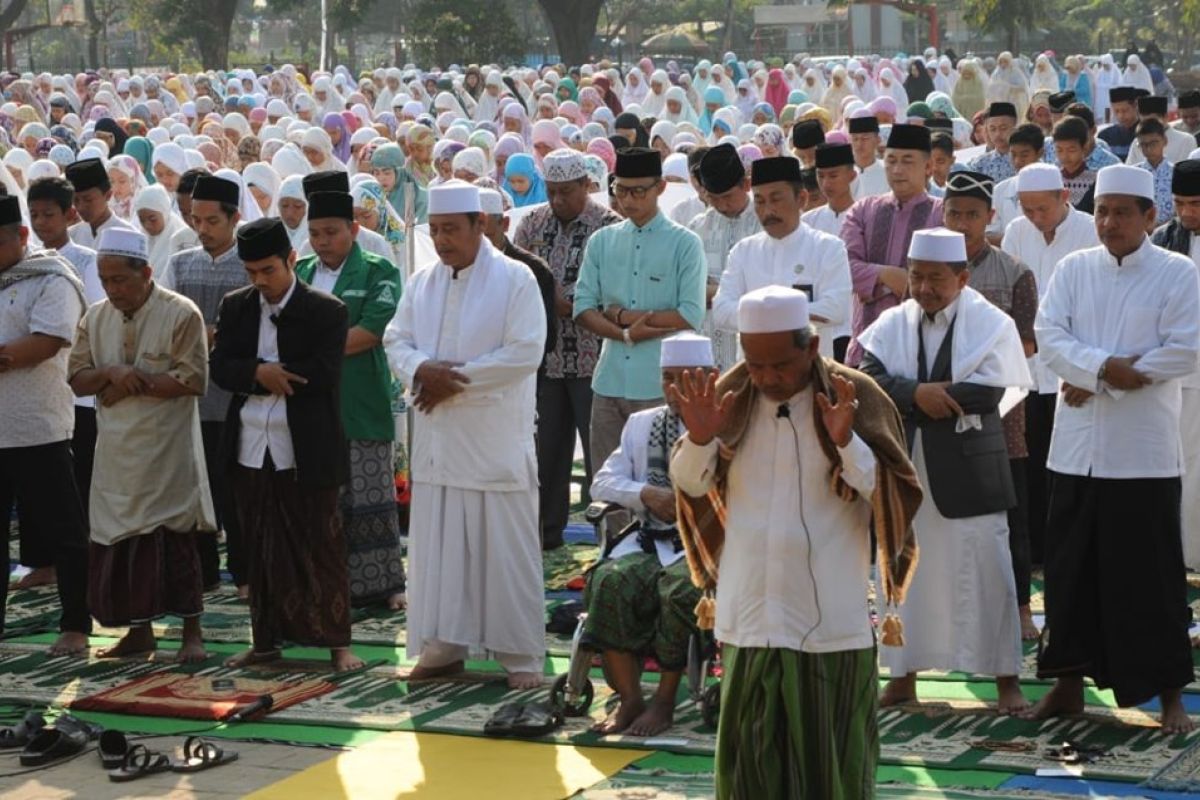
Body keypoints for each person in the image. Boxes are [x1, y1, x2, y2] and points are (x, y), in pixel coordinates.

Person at [671, 285, 921, 799]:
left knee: (829, 773)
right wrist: (700, 438)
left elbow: (890, 492)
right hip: (750, 615)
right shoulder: (728, 399)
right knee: (749, 771)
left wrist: (845, 439)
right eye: (755, 365)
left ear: (810, 348)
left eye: (779, 366)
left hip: (828, 619)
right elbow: (692, 486)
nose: (767, 379)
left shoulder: (856, 398)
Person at [1025, 164, 1198, 734]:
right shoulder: (1074, 269)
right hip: (1075, 452)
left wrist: (1107, 374)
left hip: (1143, 453)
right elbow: (1050, 336)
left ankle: (1169, 694)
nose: (1110, 222)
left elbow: (1187, 349)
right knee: (1070, 573)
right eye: (1102, 211)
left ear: (1152, 217)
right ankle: (1068, 687)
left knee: (1150, 575)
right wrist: (1102, 369)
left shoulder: (1178, 274)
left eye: (1123, 212)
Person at [859, 227, 1032, 713]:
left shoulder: (989, 322)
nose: (925, 288)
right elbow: (868, 378)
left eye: (936, 278)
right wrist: (918, 394)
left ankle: (1005, 680)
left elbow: (992, 390)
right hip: (906, 464)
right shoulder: (893, 323)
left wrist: (930, 396)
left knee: (988, 571)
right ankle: (902, 677)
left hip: (970, 469)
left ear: (962, 276)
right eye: (917, 277)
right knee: (903, 571)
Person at [383, 181, 547, 689]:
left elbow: (525, 353)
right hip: (439, 443)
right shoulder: (424, 281)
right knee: (439, 550)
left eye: (451, 229)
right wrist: (420, 370)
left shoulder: (516, 279)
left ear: (481, 225)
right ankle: (443, 645)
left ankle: (521, 657)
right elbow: (396, 339)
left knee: (506, 551)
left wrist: (448, 382)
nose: (442, 240)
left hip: (493, 442)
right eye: (434, 231)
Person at [210, 217, 362, 673]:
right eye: (251, 273)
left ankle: (339, 644)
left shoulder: (326, 310)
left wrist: (273, 373)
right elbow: (221, 366)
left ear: (291, 260)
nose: (260, 282)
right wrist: (260, 373)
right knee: (258, 547)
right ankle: (264, 643)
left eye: (269, 271)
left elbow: (324, 373)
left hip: (306, 447)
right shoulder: (237, 307)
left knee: (321, 544)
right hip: (250, 444)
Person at [68, 227, 212, 663]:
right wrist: (112, 373)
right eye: (106, 280)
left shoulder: (181, 313)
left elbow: (193, 379)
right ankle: (139, 633)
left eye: (120, 281)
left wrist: (132, 385)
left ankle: (192, 633)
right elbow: (76, 377)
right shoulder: (95, 317)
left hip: (168, 451)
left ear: (146, 273)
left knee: (175, 540)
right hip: (117, 453)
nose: (112, 290)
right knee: (124, 541)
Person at [585, 332, 713, 737]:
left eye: (687, 378)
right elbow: (603, 482)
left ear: (711, 378)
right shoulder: (643, 424)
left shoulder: (728, 426)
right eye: (668, 378)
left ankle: (663, 702)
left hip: (706, 548)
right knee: (610, 581)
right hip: (649, 540)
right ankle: (630, 699)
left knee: (678, 593)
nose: (676, 389)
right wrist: (644, 493)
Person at [295, 188, 406, 611]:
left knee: (369, 495)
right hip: (310, 402)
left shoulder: (378, 270)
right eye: (315, 233)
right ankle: (319, 581)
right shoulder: (299, 270)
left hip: (359, 398)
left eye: (331, 232)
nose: (322, 242)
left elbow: (373, 329)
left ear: (354, 230)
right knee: (316, 498)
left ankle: (381, 585)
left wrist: (311, 351)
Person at [942, 171, 1041, 641]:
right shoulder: (926, 268)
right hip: (941, 411)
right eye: (954, 213)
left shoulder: (1015, 272)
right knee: (950, 517)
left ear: (990, 217)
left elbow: (1025, 344)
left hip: (1003, 417)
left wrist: (968, 367)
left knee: (1010, 518)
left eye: (971, 215)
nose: (962, 223)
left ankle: (1020, 609)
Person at [573, 147, 706, 476]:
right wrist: (623, 333)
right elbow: (582, 307)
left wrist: (624, 316)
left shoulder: (684, 243)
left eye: (638, 191)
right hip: (608, 382)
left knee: (661, 483)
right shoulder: (602, 241)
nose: (628, 200)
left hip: (659, 387)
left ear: (660, 188)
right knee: (607, 485)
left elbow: (690, 314)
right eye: (620, 189)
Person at [514, 149, 622, 551]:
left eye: (566, 192)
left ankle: (611, 536)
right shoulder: (532, 222)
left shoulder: (608, 226)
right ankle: (545, 534)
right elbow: (518, 277)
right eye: (552, 192)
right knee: (546, 452)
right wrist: (558, 301)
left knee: (600, 454)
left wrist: (567, 301)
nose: (558, 200)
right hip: (545, 359)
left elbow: (608, 289)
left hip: (594, 357)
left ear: (585, 186)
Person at [0, 194, 92, 656]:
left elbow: (50, 339)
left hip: (39, 427)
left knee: (66, 532)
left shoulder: (50, 276)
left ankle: (76, 623)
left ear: (20, 237)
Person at [1000, 163, 1100, 567]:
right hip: (1025, 367)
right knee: (1030, 462)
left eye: (1042, 208)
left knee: (1069, 464)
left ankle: (1069, 546)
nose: (1035, 218)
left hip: (1070, 368)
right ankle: (1036, 551)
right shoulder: (1016, 233)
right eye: (1027, 210)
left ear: (1064, 197)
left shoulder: (1091, 229)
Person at [160, 175, 249, 595]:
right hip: (190, 399)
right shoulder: (181, 263)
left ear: (235, 218)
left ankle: (247, 574)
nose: (203, 229)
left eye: (212, 220)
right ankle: (204, 575)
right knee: (196, 487)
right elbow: (166, 323)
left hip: (237, 399)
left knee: (236, 488)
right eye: (197, 220)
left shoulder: (251, 266)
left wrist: (215, 335)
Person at [19, 177, 101, 589]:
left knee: (71, 487)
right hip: (24, 400)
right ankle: (40, 562)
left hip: (73, 388)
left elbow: (90, 319)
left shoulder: (82, 261)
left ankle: (75, 581)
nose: (41, 223)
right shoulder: (23, 263)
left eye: (48, 214)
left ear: (69, 215)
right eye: (34, 215)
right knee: (33, 495)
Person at [713, 154, 852, 363]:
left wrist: (759, 313)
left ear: (801, 199)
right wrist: (792, 314)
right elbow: (722, 311)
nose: (768, 211)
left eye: (776, 199)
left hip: (811, 373)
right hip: (754, 376)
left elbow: (836, 309)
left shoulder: (828, 248)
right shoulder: (743, 252)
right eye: (759, 201)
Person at [842, 123, 944, 366]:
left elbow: (945, 276)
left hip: (925, 347)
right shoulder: (863, 210)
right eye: (891, 161)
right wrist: (888, 275)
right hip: (866, 343)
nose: (897, 170)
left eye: (908, 161)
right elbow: (843, 268)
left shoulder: (942, 213)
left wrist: (878, 283)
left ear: (928, 167)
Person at [1152, 160, 1200, 569]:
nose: (1187, 214)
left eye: (1197, 204)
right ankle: (1182, 556)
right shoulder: (1165, 239)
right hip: (1177, 374)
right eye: (1180, 203)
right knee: (1181, 464)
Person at [687, 143, 760, 371]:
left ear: (746, 185)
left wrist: (713, 291)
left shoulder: (765, 225)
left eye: (727, 197)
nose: (721, 205)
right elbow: (685, 289)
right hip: (704, 352)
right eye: (713, 198)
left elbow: (764, 289)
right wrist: (730, 292)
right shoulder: (697, 227)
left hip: (751, 353)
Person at [477, 185, 557, 363]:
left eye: (488, 237)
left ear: (504, 224)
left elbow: (547, 338)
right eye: (475, 238)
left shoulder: (534, 271)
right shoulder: (457, 271)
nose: (481, 247)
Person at [986, 124, 1046, 246]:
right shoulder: (1000, 190)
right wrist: (1017, 242)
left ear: (1040, 153)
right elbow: (989, 234)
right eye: (1013, 154)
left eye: (1024, 155)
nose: (1018, 161)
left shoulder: (1054, 188)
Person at [64, 157, 135, 250]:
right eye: (75, 200)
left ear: (108, 195)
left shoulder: (128, 235)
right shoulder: (70, 237)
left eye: (88, 200)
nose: (81, 207)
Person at [805, 142, 858, 245]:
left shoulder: (865, 219)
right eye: (820, 176)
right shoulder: (808, 221)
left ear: (852, 175)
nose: (825, 184)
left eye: (833, 176)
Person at [1127, 95, 1198, 166]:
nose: (1150, 126)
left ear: (1166, 117)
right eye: (1145, 121)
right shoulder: (1137, 142)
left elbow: (1187, 171)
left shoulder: (1186, 140)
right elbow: (1130, 170)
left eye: (1153, 121)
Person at [1133, 119, 1176, 225]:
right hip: (1142, 231)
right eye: (1143, 144)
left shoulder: (1176, 173)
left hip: (1171, 232)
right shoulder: (1134, 174)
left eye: (1153, 143)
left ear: (1164, 141)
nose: (1148, 148)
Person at [1053, 116, 1097, 213]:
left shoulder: (1096, 180)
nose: (1064, 156)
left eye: (1071, 150)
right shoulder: (1051, 179)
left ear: (1085, 147)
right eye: (1059, 150)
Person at [967, 103, 1019, 182]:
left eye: (1003, 128)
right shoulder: (979, 165)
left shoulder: (1026, 160)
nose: (997, 134)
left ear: (1015, 128)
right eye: (993, 129)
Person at [848, 115, 888, 197]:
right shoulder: (844, 172)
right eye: (855, 139)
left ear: (878, 140)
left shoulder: (888, 171)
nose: (859, 144)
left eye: (865, 138)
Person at [1097, 87, 1140, 162]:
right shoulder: (1105, 136)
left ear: (1135, 106)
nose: (1121, 116)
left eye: (1125, 110)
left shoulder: (1146, 134)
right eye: (1116, 111)